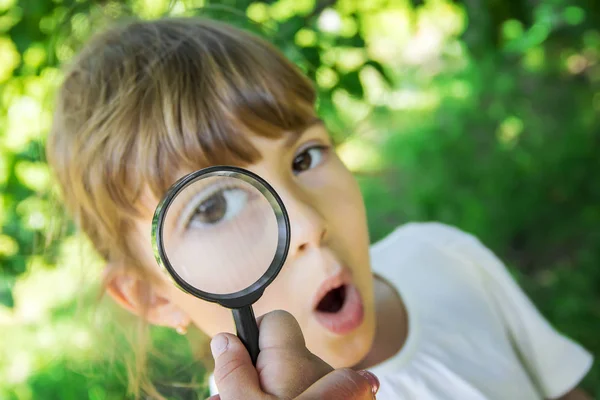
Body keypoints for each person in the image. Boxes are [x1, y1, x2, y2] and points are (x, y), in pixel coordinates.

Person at [46, 16, 594, 400]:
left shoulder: (445, 258)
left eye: (305, 157)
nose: (308, 224)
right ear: (148, 294)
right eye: (212, 209)